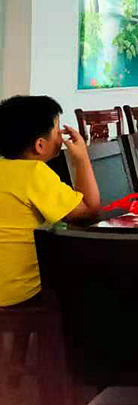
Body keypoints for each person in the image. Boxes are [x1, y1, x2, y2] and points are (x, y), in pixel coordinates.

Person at [0, 96, 102, 307]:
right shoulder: (34, 173)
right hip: (19, 296)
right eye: (57, 132)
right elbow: (88, 214)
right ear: (40, 145)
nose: (61, 138)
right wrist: (81, 158)